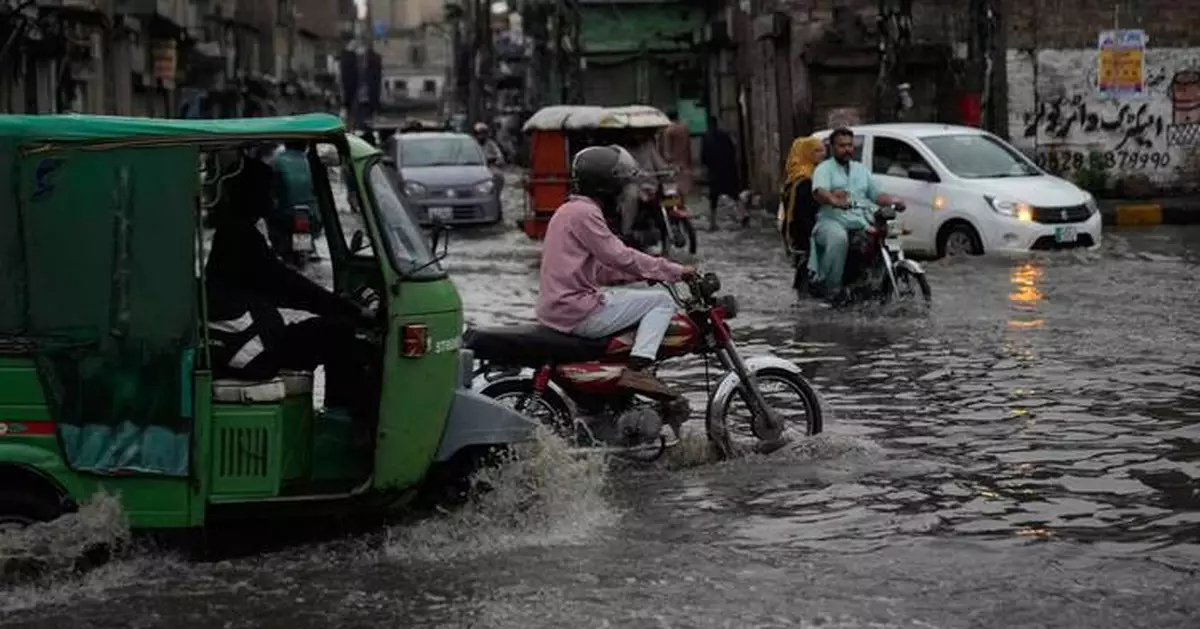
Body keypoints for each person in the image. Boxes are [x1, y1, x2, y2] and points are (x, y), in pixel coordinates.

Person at [205, 156, 378, 439]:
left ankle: (337, 422)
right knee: (340, 335)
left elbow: (285, 285)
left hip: (249, 338)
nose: (273, 200)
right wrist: (350, 310)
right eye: (268, 192)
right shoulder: (239, 237)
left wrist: (338, 305)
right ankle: (355, 434)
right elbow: (288, 287)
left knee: (333, 330)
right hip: (248, 347)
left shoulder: (236, 232)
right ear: (252, 194)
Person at [536, 145, 696, 398]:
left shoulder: (567, 211)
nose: (623, 191)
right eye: (620, 184)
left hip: (559, 308)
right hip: (575, 310)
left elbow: (599, 270)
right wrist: (673, 270)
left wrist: (644, 274)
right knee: (662, 301)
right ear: (605, 185)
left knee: (639, 299)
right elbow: (619, 256)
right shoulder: (585, 213)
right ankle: (639, 369)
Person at [807, 128, 905, 301]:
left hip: (861, 220)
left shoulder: (861, 170)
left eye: (850, 145)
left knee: (886, 235)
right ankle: (832, 289)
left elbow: (877, 194)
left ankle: (874, 280)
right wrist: (833, 200)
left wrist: (894, 200)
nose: (847, 149)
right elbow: (819, 191)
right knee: (839, 239)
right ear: (832, 147)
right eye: (842, 145)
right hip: (832, 220)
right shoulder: (824, 169)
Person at [778, 136, 825, 294]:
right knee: (808, 268)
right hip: (804, 231)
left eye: (822, 149)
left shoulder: (802, 175)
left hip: (799, 231)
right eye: (816, 151)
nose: (822, 154)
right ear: (806, 154)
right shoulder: (804, 179)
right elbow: (802, 212)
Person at [269, 141, 319, 263]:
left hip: (286, 213)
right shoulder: (310, 161)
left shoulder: (277, 159)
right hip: (309, 213)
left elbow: (273, 188)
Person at [699, 116, 743, 231]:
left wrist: (705, 168)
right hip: (727, 170)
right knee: (734, 194)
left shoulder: (706, 137)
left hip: (714, 171)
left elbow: (704, 156)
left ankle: (713, 223)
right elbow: (732, 151)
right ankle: (744, 214)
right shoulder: (724, 136)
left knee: (713, 198)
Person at [661, 110, 694, 198]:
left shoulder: (669, 130)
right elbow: (688, 147)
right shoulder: (685, 128)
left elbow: (667, 152)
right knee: (684, 192)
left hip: (674, 165)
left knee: (674, 192)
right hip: (685, 163)